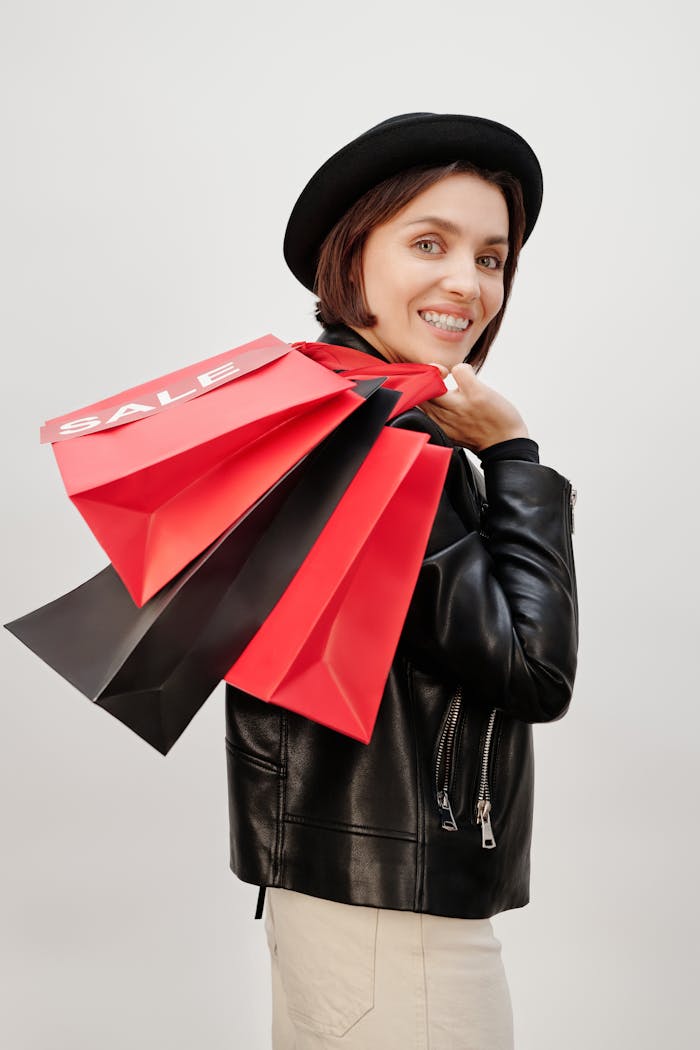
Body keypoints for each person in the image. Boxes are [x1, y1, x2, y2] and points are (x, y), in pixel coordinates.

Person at [224, 112, 579, 1049]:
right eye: (430, 242)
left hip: (341, 896)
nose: (468, 283)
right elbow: (536, 671)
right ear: (352, 258)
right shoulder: (384, 447)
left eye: (493, 257)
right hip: (397, 923)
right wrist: (515, 456)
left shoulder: (323, 408)